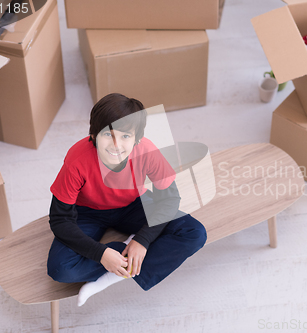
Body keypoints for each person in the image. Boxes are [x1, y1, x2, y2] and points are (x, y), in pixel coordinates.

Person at [46, 93, 207, 306]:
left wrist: (142, 240)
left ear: (136, 139)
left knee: (194, 233)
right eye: (107, 135)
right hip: (87, 213)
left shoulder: (147, 150)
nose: (116, 145)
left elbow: (169, 199)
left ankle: (114, 273)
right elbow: (59, 220)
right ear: (93, 135)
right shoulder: (77, 160)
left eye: (125, 136)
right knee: (60, 269)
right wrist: (102, 253)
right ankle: (123, 252)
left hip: (133, 205)